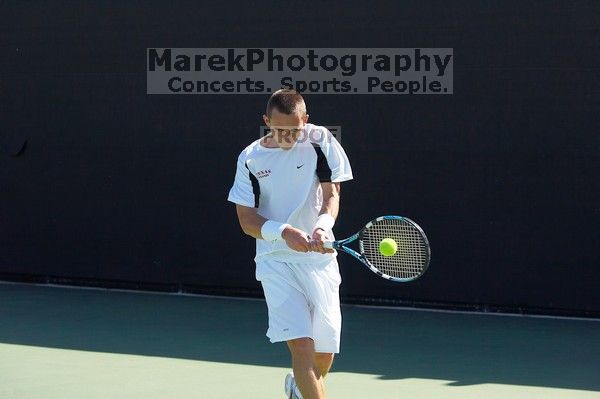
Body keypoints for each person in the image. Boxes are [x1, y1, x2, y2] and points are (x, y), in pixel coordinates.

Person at [227, 89, 353, 399]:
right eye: (280, 130)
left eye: (295, 130)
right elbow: (246, 220)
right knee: (302, 347)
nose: (288, 137)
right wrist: (284, 232)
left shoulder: (320, 140)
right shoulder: (250, 158)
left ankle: (298, 389)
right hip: (276, 262)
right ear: (266, 121)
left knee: (323, 356)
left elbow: (331, 194)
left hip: (320, 262)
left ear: (305, 121)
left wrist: (323, 227)